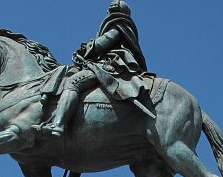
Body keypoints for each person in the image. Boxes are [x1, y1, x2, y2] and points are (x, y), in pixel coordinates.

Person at [41, 0, 149, 138]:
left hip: (110, 65)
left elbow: (105, 41)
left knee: (73, 82)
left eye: (111, 9)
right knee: (66, 71)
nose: (109, 11)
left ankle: (58, 124)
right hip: (104, 63)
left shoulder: (118, 25)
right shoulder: (123, 26)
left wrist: (88, 48)